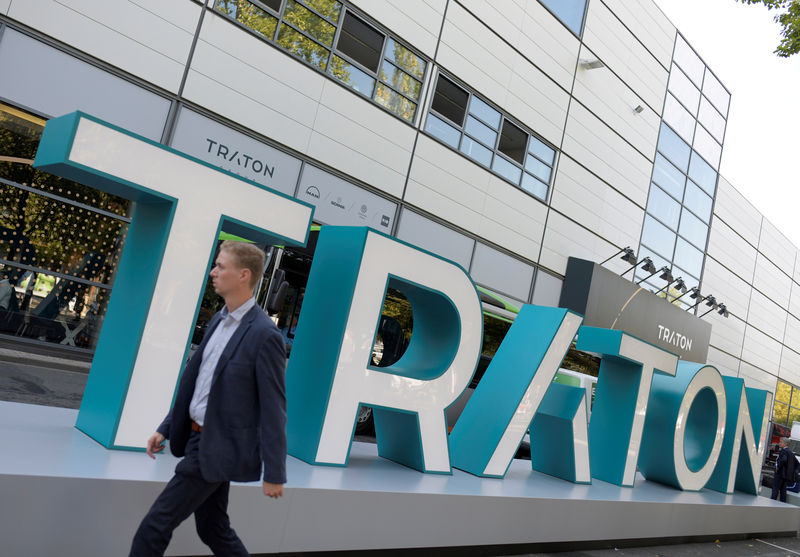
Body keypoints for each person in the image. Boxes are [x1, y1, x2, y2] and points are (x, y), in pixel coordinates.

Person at [130, 241, 287, 556]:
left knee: (153, 528)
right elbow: (198, 386)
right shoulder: (219, 319)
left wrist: (274, 472)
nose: (213, 272)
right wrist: (166, 427)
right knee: (213, 529)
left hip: (214, 447)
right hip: (199, 438)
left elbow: (274, 409)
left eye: (221, 266)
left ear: (243, 275)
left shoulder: (264, 335)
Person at [771, 437, 796, 502]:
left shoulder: (784, 451)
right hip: (785, 475)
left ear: (785, 444)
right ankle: (782, 503)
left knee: (775, 488)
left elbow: (783, 460)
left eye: (781, 442)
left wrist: (778, 467)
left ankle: (772, 501)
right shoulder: (790, 452)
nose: (779, 443)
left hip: (780, 473)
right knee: (783, 490)